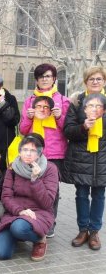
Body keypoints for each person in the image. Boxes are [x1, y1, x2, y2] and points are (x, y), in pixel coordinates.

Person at [20, 63, 70, 237]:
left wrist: (59, 117)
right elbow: (23, 130)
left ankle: (50, 222)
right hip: (34, 151)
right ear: (37, 80)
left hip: (55, 152)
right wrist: (28, 117)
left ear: (54, 78)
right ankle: (35, 218)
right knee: (31, 186)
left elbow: (68, 129)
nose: (44, 79)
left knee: (52, 190)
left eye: (48, 76)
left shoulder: (63, 101)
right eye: (41, 77)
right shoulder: (29, 101)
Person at [0, 133, 58, 261]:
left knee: (19, 227)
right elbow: (6, 197)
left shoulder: (50, 169)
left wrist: (35, 179)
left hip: (39, 213)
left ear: (39, 153)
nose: (28, 154)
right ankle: (19, 234)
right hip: (15, 213)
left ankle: (40, 238)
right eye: (25, 149)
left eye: (33, 150)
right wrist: (20, 211)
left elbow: (47, 203)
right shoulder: (12, 168)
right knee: (1, 253)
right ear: (20, 151)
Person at [63, 66, 106, 251]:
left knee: (99, 195)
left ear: (104, 81)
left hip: (102, 156)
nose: (95, 82)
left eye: (98, 79)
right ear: (85, 81)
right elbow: (67, 130)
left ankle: (94, 231)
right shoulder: (76, 102)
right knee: (81, 195)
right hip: (81, 157)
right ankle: (83, 230)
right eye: (91, 79)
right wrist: (83, 127)